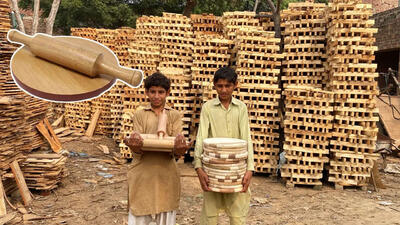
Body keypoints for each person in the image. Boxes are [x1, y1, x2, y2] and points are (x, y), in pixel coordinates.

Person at [124, 72, 191, 225]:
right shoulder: (140, 114)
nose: (156, 96)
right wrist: (135, 144)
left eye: (161, 92)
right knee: (139, 215)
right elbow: (138, 147)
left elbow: (176, 152)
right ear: (146, 92)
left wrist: (180, 148)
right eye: (152, 91)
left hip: (166, 173)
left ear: (167, 93)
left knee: (166, 215)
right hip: (143, 173)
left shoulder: (174, 115)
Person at [194, 67, 254, 225]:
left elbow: (246, 137)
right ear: (214, 85)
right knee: (210, 215)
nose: (224, 90)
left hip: (236, 170)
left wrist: (250, 169)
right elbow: (201, 137)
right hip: (214, 169)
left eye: (228, 86)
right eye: (220, 86)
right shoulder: (208, 108)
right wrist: (199, 167)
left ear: (235, 85)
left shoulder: (241, 108)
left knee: (237, 215)